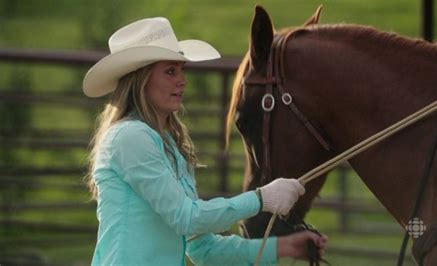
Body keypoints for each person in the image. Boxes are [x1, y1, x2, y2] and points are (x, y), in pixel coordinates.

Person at [83, 17, 328, 265]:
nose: (182, 80)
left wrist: (281, 247)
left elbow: (201, 247)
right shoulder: (129, 137)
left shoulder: (166, 144)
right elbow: (186, 218)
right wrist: (261, 198)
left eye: (181, 69)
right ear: (140, 79)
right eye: (170, 71)